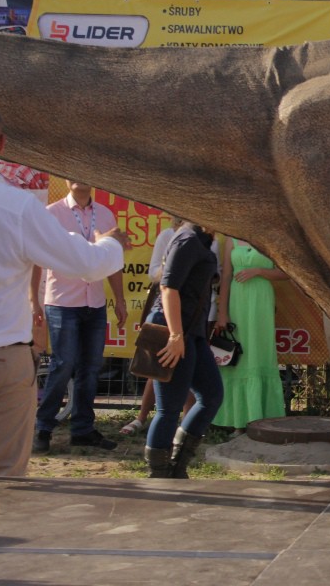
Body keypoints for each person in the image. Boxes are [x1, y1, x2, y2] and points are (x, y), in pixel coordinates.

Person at [0, 98, 127, 477]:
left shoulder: (16, 205)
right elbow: (87, 264)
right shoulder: (16, 206)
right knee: (3, 478)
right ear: (0, 144)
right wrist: (112, 243)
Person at [31, 180, 129, 454]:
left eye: (83, 174)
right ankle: (43, 427)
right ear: (64, 180)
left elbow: (113, 260)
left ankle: (83, 429)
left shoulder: (106, 214)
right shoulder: (52, 213)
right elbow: (36, 260)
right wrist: (33, 302)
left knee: (91, 367)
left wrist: (119, 299)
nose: (78, 178)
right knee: (63, 364)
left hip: (94, 302)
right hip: (63, 301)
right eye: (71, 174)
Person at [143, 221, 224, 478]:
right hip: (173, 331)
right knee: (169, 407)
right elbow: (168, 287)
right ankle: (158, 473)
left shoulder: (204, 239)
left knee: (212, 395)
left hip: (193, 331)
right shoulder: (187, 238)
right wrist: (176, 335)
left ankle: (177, 467)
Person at [120, 215, 198, 435]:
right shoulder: (169, 236)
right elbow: (154, 272)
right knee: (159, 366)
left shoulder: (207, 238)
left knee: (189, 368)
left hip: (198, 312)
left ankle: (185, 426)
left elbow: (216, 274)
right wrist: (175, 272)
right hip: (168, 310)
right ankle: (142, 418)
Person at [213, 237, 288, 432]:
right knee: (239, 357)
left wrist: (260, 271)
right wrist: (222, 312)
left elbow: (286, 273)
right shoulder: (230, 240)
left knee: (259, 353)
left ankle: (262, 419)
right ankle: (237, 422)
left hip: (261, 300)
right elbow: (226, 276)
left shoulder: (270, 239)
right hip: (237, 302)